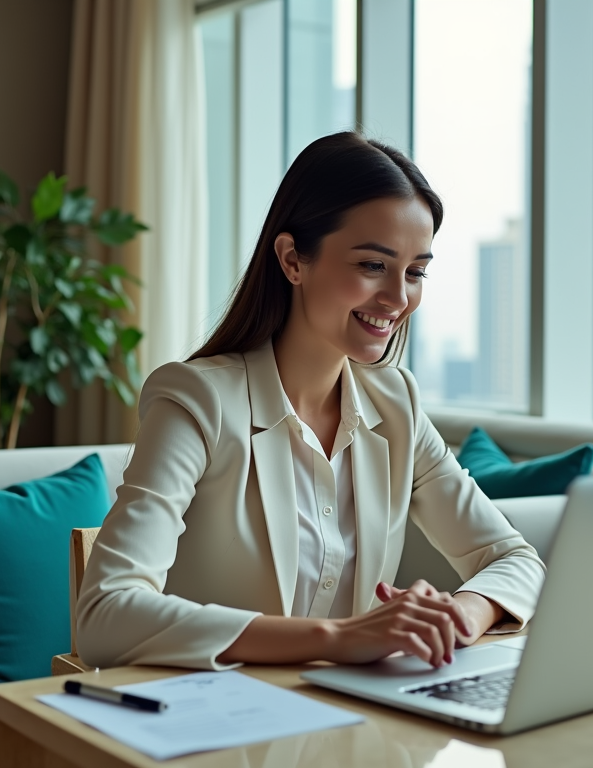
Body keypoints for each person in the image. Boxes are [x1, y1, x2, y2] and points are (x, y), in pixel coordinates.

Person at [76, 132, 546, 672]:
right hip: (220, 731)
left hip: (354, 722)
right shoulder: (196, 401)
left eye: (415, 271)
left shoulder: (397, 405)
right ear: (293, 258)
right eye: (373, 265)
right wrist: (336, 638)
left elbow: (514, 558)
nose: (398, 298)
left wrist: (457, 616)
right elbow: (104, 616)